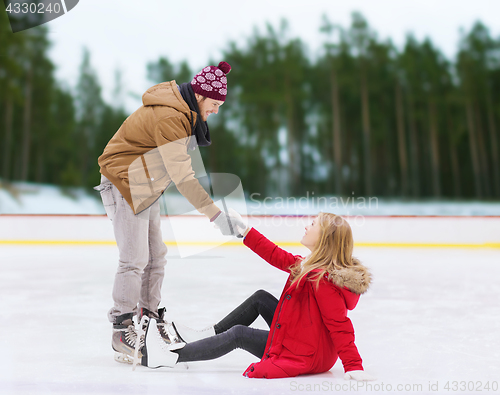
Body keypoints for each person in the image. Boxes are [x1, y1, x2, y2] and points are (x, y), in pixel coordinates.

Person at [94, 61, 244, 363]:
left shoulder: (184, 114)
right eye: (214, 104)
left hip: (144, 183)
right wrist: (216, 216)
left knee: (156, 255)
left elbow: (180, 172)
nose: (216, 111)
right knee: (134, 257)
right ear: (200, 97)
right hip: (123, 180)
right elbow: (184, 178)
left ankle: (148, 318)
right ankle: (122, 330)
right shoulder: (171, 118)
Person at [139, 212, 375, 380]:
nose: (306, 226)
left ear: (324, 239)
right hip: (305, 339)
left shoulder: (323, 281)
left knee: (239, 335)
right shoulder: (308, 267)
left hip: (306, 353)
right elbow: (275, 255)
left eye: (313, 224)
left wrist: (354, 365)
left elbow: (339, 325)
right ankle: (206, 335)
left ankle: (170, 356)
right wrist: (245, 230)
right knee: (261, 298)